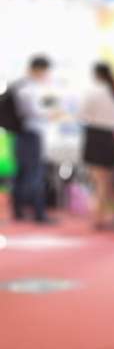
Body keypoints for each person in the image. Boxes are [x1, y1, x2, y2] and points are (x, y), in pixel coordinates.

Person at [80, 62, 114, 230]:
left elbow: (83, 114)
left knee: (99, 181)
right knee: (111, 182)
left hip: (96, 137)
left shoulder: (94, 92)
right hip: (112, 137)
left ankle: (99, 218)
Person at [11, 55, 53, 224]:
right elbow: (31, 111)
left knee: (23, 173)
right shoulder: (27, 88)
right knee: (34, 174)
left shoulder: (26, 86)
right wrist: (48, 112)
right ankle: (38, 212)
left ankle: (19, 210)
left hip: (25, 134)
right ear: (38, 69)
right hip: (30, 134)